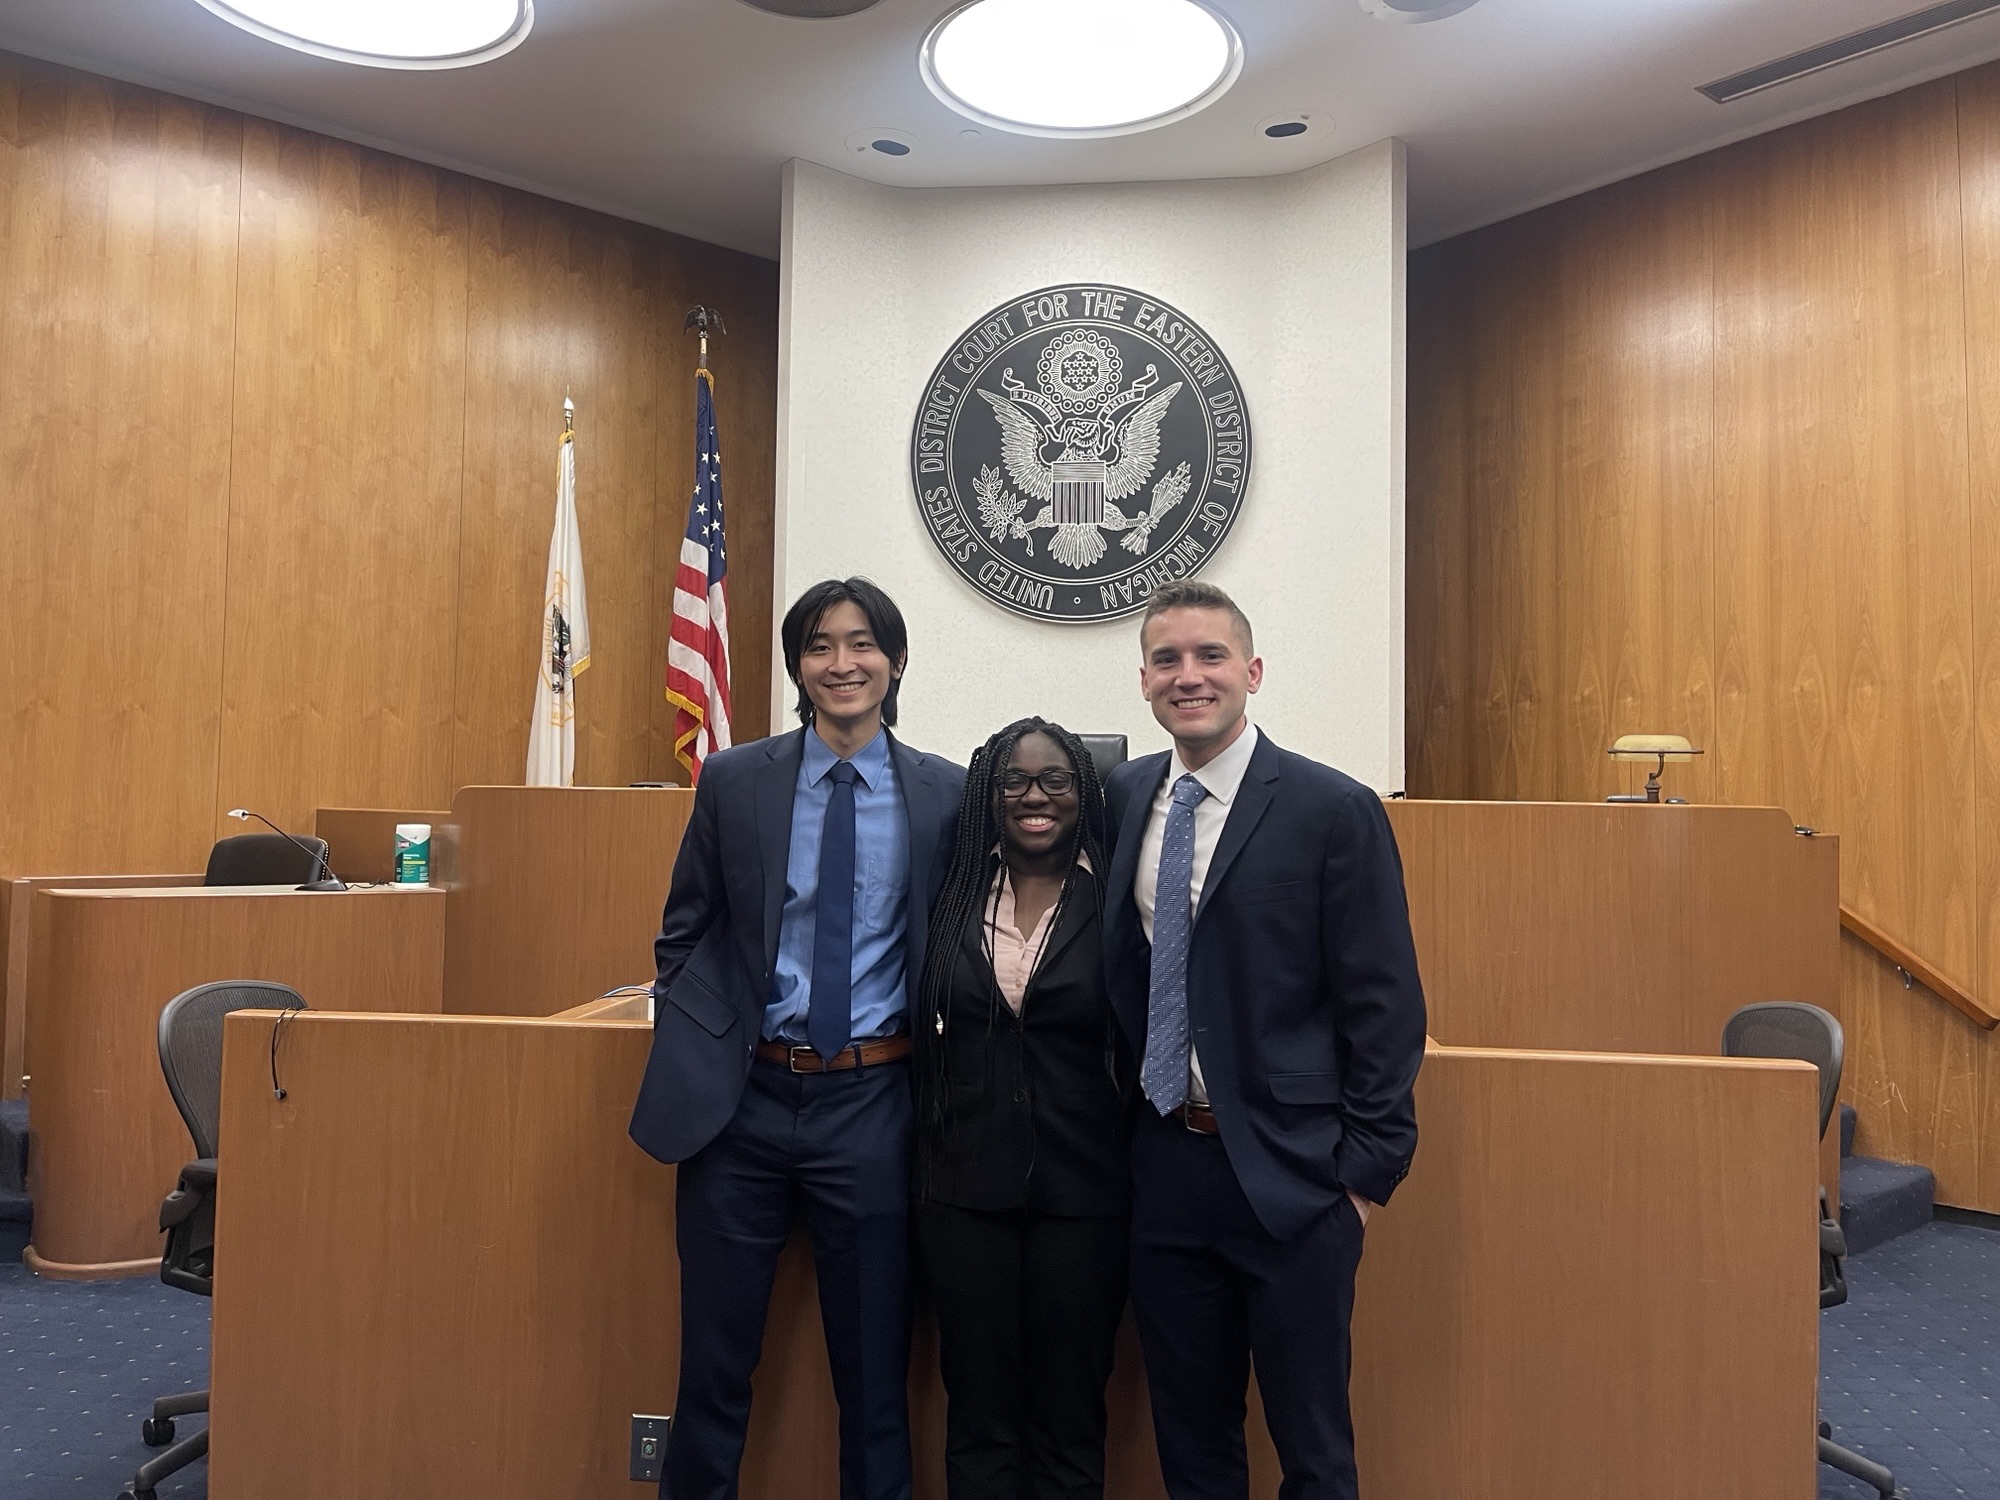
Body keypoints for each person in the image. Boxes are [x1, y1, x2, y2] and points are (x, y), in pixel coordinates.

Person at [629, 577, 965, 1500]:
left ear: (894, 662)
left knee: (874, 1379)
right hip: (741, 1106)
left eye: (863, 644)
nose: (842, 662)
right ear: (797, 666)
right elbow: (684, 928)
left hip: (875, 1103)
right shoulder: (738, 779)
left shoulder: (946, 793)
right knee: (713, 1368)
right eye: (820, 645)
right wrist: (704, 1035)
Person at [1100, 580, 1426, 1500]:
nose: (1188, 676)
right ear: (1144, 681)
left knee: (1313, 1448)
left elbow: (1385, 1004)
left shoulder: (1333, 808)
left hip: (1295, 1178)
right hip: (1164, 1169)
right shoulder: (1124, 795)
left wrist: (1363, 1180)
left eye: (1209, 657)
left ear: (1251, 671)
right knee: (1192, 1443)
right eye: (1167, 659)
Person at [911, 718, 1131, 1500]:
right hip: (963, 1195)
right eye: (1014, 781)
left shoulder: (1118, 897)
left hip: (1086, 1198)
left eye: (1055, 781)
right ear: (987, 794)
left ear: (1083, 792)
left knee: (1071, 1420)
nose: (1034, 797)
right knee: (978, 1415)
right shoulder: (953, 890)